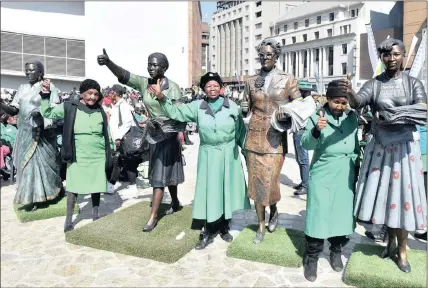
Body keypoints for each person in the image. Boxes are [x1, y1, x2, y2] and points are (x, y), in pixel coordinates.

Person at [339, 38, 427, 273]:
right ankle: (389, 243)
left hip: (404, 151)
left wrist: (396, 115)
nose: (391, 59)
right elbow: (360, 102)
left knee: (403, 199)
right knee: (387, 198)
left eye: (396, 54)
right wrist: (351, 93)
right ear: (382, 58)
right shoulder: (375, 83)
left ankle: (403, 249)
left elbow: (421, 110)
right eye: (386, 55)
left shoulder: (413, 83)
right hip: (380, 148)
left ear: (403, 55)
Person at [153, 72, 250, 249]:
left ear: (222, 88)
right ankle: (207, 229)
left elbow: (241, 132)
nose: (212, 89)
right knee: (209, 190)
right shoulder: (197, 106)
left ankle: (224, 226)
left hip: (229, 153)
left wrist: (246, 152)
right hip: (209, 153)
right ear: (204, 89)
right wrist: (161, 97)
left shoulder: (233, 107)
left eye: (215, 85)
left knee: (225, 189)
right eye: (208, 86)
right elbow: (176, 112)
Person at [98, 49, 184, 232]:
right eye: (149, 64)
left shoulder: (174, 87)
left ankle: (153, 217)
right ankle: (175, 202)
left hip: (168, 137)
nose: (151, 68)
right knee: (162, 173)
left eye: (155, 65)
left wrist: (162, 103)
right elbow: (124, 75)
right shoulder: (144, 83)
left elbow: (180, 114)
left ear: (164, 67)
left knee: (160, 176)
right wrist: (109, 63)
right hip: (154, 136)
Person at [241, 38, 301, 244]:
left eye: (269, 55)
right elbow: (246, 105)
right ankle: (260, 225)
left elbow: (300, 104)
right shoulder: (251, 80)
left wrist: (288, 114)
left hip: (276, 138)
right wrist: (242, 107)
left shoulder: (288, 80)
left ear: (276, 57)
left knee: (270, 181)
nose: (264, 58)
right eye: (262, 55)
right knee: (257, 184)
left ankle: (274, 210)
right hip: (255, 137)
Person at [300, 80, 359, 282]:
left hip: (345, 174)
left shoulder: (351, 118)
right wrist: (316, 130)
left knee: (340, 216)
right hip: (323, 174)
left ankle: (335, 251)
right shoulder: (317, 116)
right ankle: (312, 258)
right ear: (327, 99)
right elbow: (305, 143)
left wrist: (357, 169)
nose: (340, 106)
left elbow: (356, 146)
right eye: (336, 102)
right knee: (318, 216)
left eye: (344, 103)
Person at [40, 79, 114, 232]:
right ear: (82, 93)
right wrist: (45, 95)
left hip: (97, 154)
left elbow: (106, 133)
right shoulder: (69, 107)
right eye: (89, 93)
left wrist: (111, 148)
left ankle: (95, 214)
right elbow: (48, 112)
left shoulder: (100, 110)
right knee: (73, 187)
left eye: (95, 94)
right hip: (77, 154)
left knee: (96, 185)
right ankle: (68, 220)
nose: (93, 97)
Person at [0, 61, 63, 210]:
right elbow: (13, 111)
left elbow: (54, 109)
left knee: (45, 165)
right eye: (26, 70)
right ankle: (32, 196)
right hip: (25, 133)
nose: (28, 73)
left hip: (41, 134)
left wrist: (41, 114)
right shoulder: (21, 88)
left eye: (32, 70)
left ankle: (50, 193)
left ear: (40, 72)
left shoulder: (49, 87)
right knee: (28, 165)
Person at [109, 84, 140, 185]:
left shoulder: (123, 105)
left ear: (115, 93)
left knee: (121, 160)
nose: (109, 94)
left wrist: (118, 137)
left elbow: (127, 122)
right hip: (120, 138)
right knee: (123, 161)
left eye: (111, 92)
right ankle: (128, 182)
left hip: (123, 138)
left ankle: (114, 184)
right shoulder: (117, 104)